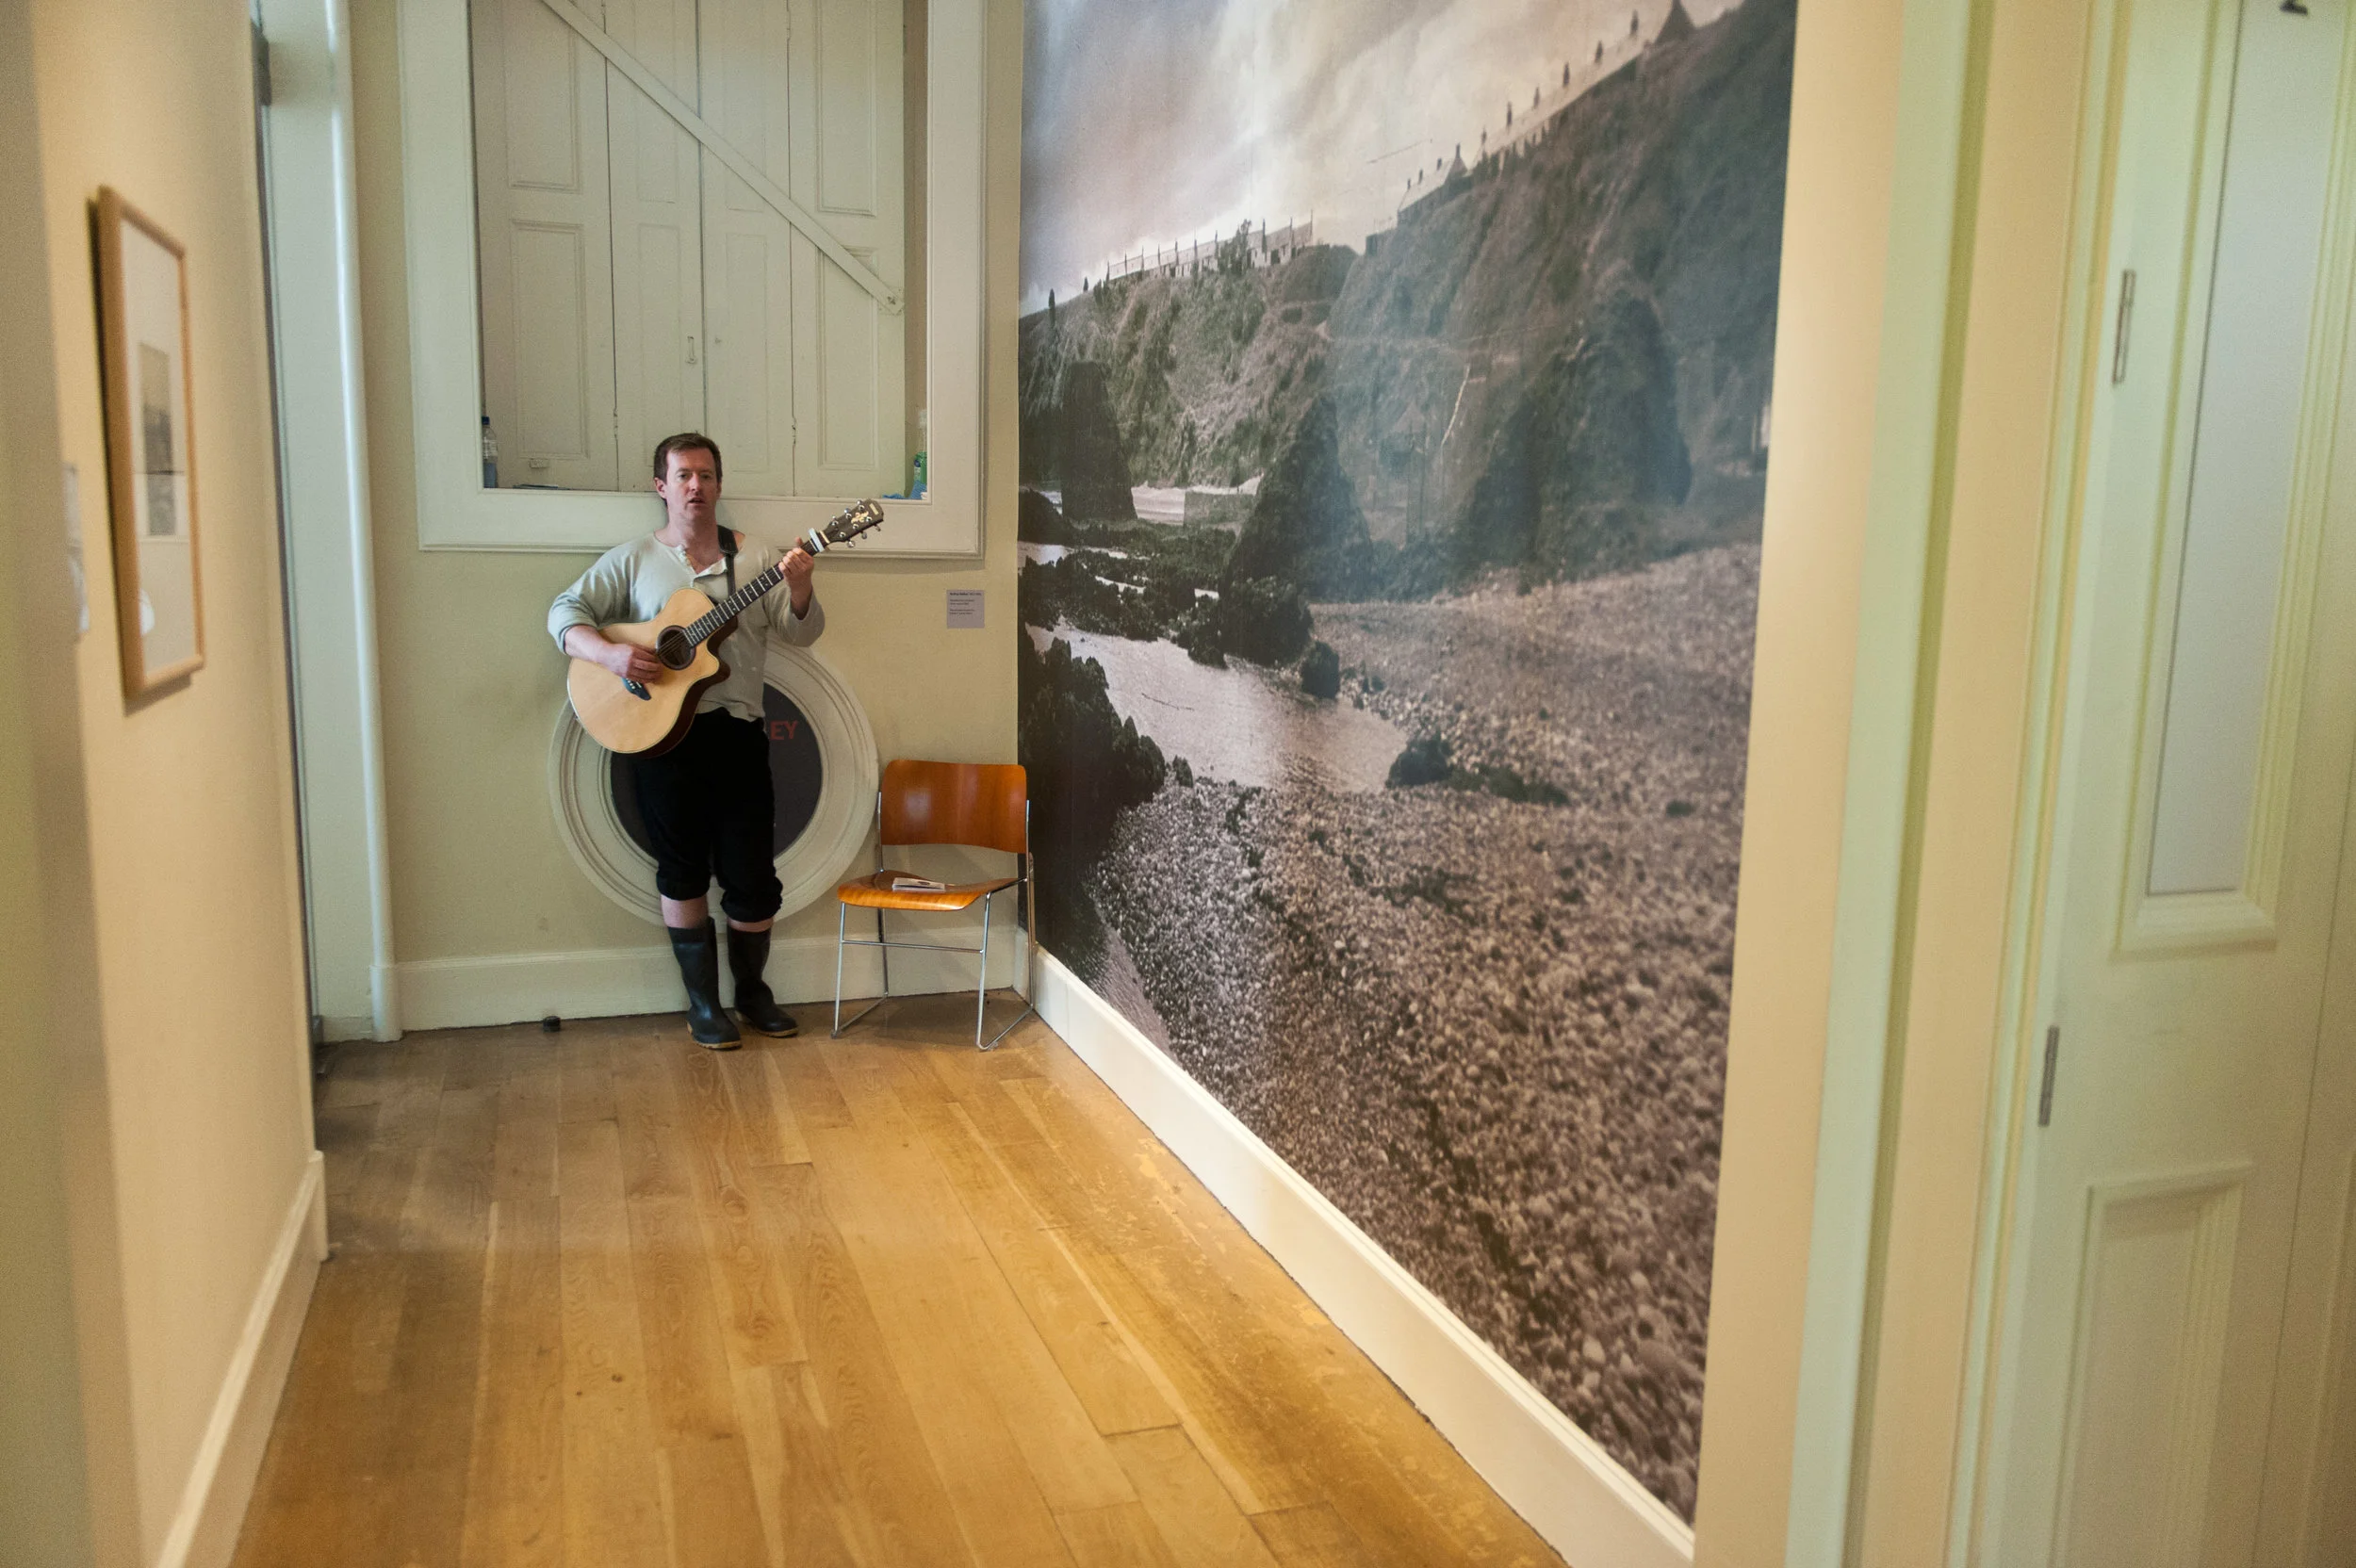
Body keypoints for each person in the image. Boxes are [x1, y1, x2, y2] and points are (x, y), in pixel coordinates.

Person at [548, 433, 825, 1048]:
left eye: (705, 475)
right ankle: (703, 1005)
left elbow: (799, 634)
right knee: (682, 870)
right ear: (662, 486)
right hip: (661, 741)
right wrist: (612, 655)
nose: (695, 486)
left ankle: (753, 994)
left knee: (752, 875)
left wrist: (800, 588)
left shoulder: (757, 560)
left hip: (740, 736)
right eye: (682, 476)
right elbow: (564, 613)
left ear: (719, 485)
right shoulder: (633, 559)